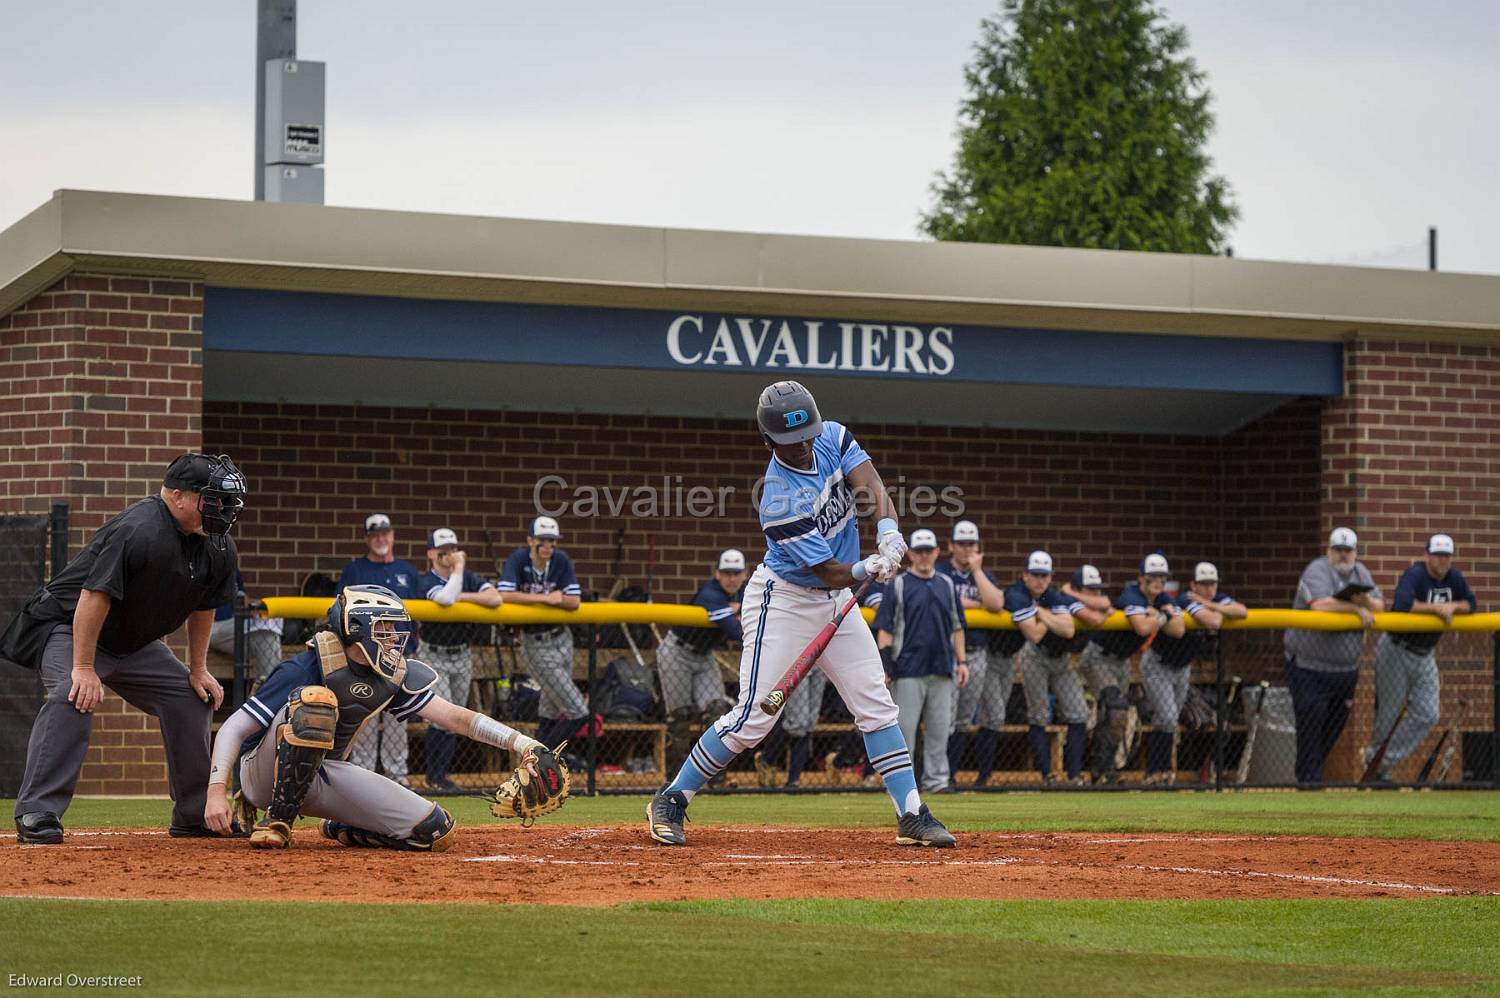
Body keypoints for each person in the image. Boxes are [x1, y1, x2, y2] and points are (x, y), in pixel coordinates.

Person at [647, 380, 954, 847]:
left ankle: (911, 813)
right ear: (769, 442)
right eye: (792, 442)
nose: (805, 445)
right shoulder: (777, 498)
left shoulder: (832, 435)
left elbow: (869, 483)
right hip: (786, 599)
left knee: (875, 701)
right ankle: (672, 798)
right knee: (754, 718)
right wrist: (864, 566)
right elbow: (827, 571)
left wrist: (888, 529)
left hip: (835, 600)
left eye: (807, 434)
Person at [204, 585, 555, 849]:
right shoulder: (307, 665)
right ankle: (276, 821)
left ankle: (340, 827)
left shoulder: (387, 673)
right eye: (385, 629)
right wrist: (217, 791)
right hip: (262, 775)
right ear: (357, 627)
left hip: (323, 775)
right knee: (316, 702)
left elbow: (456, 718)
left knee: (433, 830)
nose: (394, 638)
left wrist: (523, 743)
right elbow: (234, 727)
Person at [11, 453, 245, 844]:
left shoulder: (218, 546)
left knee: (191, 698)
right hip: (71, 628)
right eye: (212, 499)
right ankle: (38, 811)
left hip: (131, 643)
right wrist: (83, 667)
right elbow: (93, 597)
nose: (222, 509)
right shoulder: (139, 529)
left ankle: (194, 814)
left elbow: (204, 606)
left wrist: (198, 668)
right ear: (178, 496)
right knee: (74, 696)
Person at [1365, 534, 1476, 782]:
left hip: (1425, 654)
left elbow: (1471, 604)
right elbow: (1403, 604)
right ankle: (1379, 773)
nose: (1442, 560)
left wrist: (1453, 607)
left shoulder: (1454, 578)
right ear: (1426, 556)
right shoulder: (1415, 575)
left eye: (1446, 556)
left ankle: (1378, 762)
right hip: (1397, 648)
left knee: (1428, 714)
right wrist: (1437, 608)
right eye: (1437, 555)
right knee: (1389, 715)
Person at [1285, 527, 1385, 784]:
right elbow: (1319, 605)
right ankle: (1309, 779)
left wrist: (1364, 604)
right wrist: (1356, 607)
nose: (1343, 555)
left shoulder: (1362, 573)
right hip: (1308, 665)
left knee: (1335, 724)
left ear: (1355, 552)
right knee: (1312, 716)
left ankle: (1311, 772)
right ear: (1329, 551)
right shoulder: (1317, 570)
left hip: (1345, 669)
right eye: (1338, 550)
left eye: (1347, 550)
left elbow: (1380, 605)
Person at [875, 529, 967, 794]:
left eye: (929, 550)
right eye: (919, 551)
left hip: (941, 667)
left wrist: (962, 662)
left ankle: (937, 782)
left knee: (940, 731)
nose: (924, 556)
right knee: (905, 732)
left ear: (937, 553)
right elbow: (886, 630)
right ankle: (905, 785)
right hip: (908, 669)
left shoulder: (946, 584)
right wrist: (887, 666)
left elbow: (957, 627)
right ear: (911, 554)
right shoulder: (898, 584)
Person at [1139, 561, 1245, 784]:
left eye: (1212, 584)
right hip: (1158, 663)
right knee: (1167, 717)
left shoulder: (1210, 599)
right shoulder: (1187, 600)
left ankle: (1156, 773)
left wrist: (1210, 603)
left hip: (1181, 667)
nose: (1209, 589)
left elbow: (1241, 611)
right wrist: (1213, 607)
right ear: (1193, 585)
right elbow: (1213, 621)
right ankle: (1161, 770)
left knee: (1167, 719)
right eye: (1203, 585)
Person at [339, 513, 423, 787]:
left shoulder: (408, 571)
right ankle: (364, 778)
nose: (381, 539)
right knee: (364, 713)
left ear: (393, 535)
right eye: (374, 535)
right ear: (367, 539)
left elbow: (420, 614)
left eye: (385, 533)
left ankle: (397, 778)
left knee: (398, 717)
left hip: (400, 654)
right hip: (365, 656)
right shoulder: (355, 570)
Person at [417, 527, 503, 793]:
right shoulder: (425, 580)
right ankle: (434, 776)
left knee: (456, 716)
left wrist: (463, 595)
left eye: (453, 551)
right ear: (431, 553)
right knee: (440, 716)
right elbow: (444, 598)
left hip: (461, 653)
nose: (449, 556)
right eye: (443, 552)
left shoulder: (466, 579)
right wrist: (459, 569)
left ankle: (442, 777)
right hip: (434, 653)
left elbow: (495, 598)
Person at [498, 516, 586, 751]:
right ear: (530, 540)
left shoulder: (560, 560)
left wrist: (551, 601)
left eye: (552, 541)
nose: (547, 546)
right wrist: (547, 599)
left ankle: (538, 766)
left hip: (562, 638)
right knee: (578, 711)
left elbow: (574, 601)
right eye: (542, 541)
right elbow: (505, 594)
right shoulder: (518, 559)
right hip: (535, 641)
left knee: (552, 708)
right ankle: (539, 756)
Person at [1007, 551, 1093, 784]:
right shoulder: (1016, 593)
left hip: (1060, 659)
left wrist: (1040, 613)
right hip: (1034, 656)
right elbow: (1034, 635)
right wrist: (1050, 619)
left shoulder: (1052, 595)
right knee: (1039, 715)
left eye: (1045, 575)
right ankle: (1047, 775)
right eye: (1035, 574)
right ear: (1025, 575)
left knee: (1078, 712)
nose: (1040, 580)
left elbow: (1068, 630)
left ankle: (1074, 775)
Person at [661, 549, 745, 775]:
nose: (731, 578)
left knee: (717, 709)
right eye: (726, 573)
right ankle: (675, 777)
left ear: (744, 574)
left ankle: (713, 774)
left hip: (705, 655)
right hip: (677, 652)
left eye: (736, 573)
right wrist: (736, 615)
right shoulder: (710, 593)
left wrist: (739, 612)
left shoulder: (745, 593)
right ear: (717, 574)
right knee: (680, 716)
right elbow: (735, 631)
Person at [935, 520, 1004, 787]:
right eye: (961, 544)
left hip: (976, 654)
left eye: (971, 544)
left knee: (964, 718)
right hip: (945, 654)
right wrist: (978, 604)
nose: (966, 550)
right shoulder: (941, 571)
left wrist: (976, 571)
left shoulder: (983, 575)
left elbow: (997, 604)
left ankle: (952, 774)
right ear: (951, 546)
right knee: (946, 717)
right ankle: (940, 776)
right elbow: (944, 598)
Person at [209, 570, 284, 685]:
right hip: (211, 627)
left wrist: (253, 610)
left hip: (236, 626)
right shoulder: (203, 561)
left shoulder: (230, 563)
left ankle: (267, 689)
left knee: (267, 634)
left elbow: (242, 596)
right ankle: (269, 692)